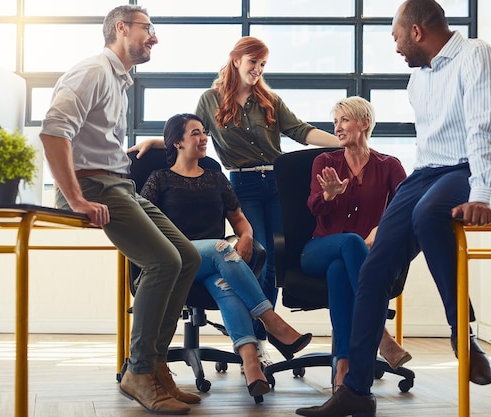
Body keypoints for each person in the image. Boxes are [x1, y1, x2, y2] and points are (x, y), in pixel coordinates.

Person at [295, 1, 491, 416]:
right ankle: (355, 392)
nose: (395, 47)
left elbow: (484, 127)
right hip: (428, 172)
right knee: (374, 269)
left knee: (428, 213)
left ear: (416, 32)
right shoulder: (419, 81)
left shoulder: (476, 55)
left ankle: (460, 331)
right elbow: (431, 147)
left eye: (396, 37)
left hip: (473, 167)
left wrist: (484, 192)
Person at [39, 6, 202, 415]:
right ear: (121, 28)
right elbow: (53, 131)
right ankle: (138, 372)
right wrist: (76, 199)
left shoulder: (119, 80)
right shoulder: (93, 71)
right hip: (94, 186)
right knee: (163, 262)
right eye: (148, 29)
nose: (155, 37)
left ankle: (156, 365)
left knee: (187, 257)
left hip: (120, 185)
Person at [139, 113, 313, 398]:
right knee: (221, 247)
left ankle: (251, 365)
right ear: (178, 143)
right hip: (176, 259)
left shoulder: (215, 178)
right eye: (195, 133)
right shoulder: (160, 179)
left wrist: (246, 236)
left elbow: (239, 218)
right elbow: (143, 220)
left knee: (226, 287)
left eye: (203, 132)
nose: (203, 137)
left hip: (212, 265)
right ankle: (271, 321)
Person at [194, 36, 339, 363]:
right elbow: (193, 136)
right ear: (236, 61)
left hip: (277, 183)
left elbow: (301, 132)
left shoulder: (269, 100)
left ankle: (260, 341)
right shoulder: (210, 100)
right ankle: (255, 337)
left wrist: (344, 144)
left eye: (262, 65)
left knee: (274, 260)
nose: (257, 70)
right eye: (252, 63)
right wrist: (154, 143)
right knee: (253, 258)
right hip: (243, 185)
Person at [301, 96, 411, 392]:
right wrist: (329, 196)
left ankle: (344, 365)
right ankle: (381, 334)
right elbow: (314, 206)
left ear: (364, 123)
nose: (337, 127)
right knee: (348, 243)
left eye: (344, 120)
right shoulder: (325, 161)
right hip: (318, 249)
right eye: (335, 121)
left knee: (340, 272)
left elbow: (405, 207)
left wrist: (380, 228)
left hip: (360, 255)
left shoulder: (388, 165)